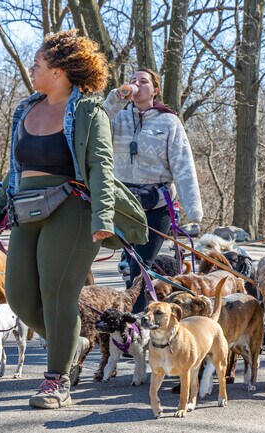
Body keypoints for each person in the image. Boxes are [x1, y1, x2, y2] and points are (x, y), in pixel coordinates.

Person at [0, 30, 117, 409]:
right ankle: (72, 342)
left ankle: (57, 380)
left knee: (57, 294)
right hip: (26, 210)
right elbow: (16, 169)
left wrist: (104, 215)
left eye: (38, 64)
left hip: (72, 210)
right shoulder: (25, 109)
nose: (31, 69)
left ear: (59, 71)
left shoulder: (89, 111)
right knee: (20, 296)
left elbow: (102, 167)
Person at [103, 68, 203, 313]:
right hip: (122, 201)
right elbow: (95, 120)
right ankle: (123, 319)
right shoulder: (117, 118)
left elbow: (183, 163)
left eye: (143, 81)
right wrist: (116, 98)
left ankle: (135, 325)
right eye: (133, 80)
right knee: (127, 262)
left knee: (141, 266)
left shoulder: (168, 121)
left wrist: (194, 210)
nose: (136, 84)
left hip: (156, 203)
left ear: (155, 90)